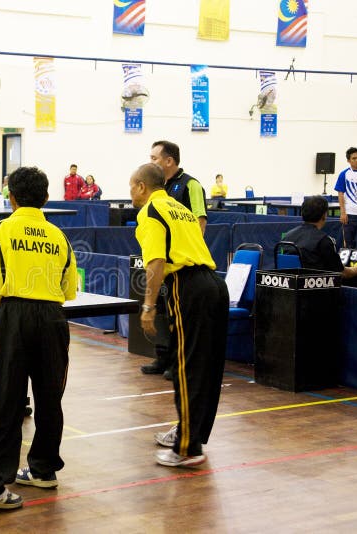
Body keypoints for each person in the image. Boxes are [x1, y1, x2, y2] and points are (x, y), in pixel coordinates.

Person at [0, 166, 78, 510]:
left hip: (12, 316)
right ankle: (44, 469)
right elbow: (68, 289)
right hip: (52, 318)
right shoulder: (59, 237)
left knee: (4, 398)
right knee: (50, 398)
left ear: (11, 197)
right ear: (46, 199)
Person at [129, 162, 228, 468]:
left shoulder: (149, 212)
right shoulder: (180, 208)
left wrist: (148, 306)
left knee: (187, 367)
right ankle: (189, 431)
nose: (130, 191)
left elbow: (156, 262)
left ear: (143, 187)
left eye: (132, 185)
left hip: (188, 287)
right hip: (214, 284)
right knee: (207, 367)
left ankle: (188, 448)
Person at [142, 140, 207, 378]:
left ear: (169, 161)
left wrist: (187, 251)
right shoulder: (159, 187)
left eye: (154, 158)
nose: (151, 162)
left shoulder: (191, 185)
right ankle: (163, 358)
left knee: (178, 317)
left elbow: (200, 222)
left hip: (182, 265)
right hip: (163, 266)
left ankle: (177, 362)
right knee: (161, 312)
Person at [283, 196, 357, 277]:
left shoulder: (287, 236)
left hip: (291, 288)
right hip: (316, 290)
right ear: (324, 215)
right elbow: (342, 273)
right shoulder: (324, 241)